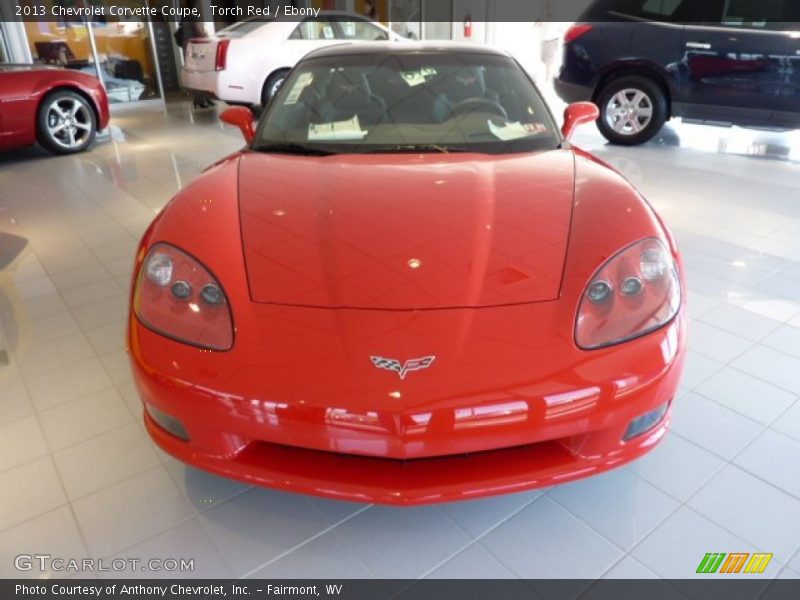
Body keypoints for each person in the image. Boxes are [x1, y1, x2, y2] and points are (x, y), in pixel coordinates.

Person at [175, 17, 216, 108]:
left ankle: (202, 98)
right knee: (201, 73)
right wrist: (207, 36)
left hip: (189, 47)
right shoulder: (193, 16)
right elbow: (200, 32)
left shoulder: (184, 19)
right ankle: (201, 99)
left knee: (196, 74)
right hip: (196, 47)